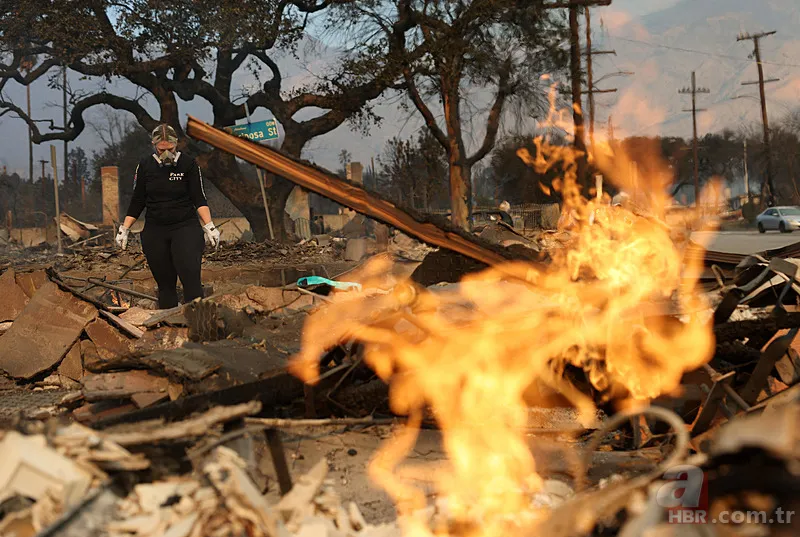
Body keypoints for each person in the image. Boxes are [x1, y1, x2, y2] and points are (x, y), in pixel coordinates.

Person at [115, 124, 221, 309]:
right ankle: (168, 324)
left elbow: (199, 197)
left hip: (185, 226)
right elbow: (138, 200)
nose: (166, 153)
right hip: (155, 229)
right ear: (154, 145)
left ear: (177, 145)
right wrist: (124, 229)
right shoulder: (145, 166)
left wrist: (210, 225)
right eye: (161, 149)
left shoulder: (188, 164)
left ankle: (199, 324)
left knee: (190, 276)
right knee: (164, 283)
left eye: (170, 149)